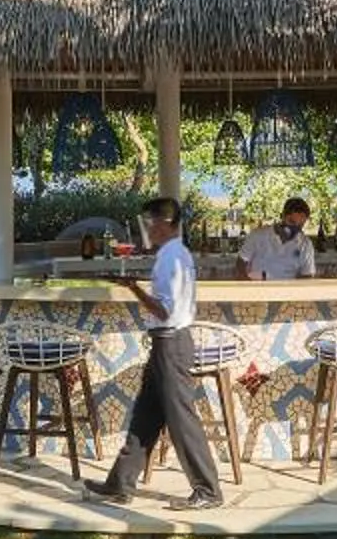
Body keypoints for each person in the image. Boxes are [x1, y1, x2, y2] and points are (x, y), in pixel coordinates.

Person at [85, 194, 223, 510]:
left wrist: (132, 288)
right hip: (169, 343)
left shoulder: (172, 258)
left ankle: (208, 490)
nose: (146, 229)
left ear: (162, 223)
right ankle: (119, 484)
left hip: (171, 343)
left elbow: (164, 310)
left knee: (181, 419)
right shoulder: (175, 254)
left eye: (148, 223)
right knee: (146, 417)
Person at [237, 197, 317, 280]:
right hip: (259, 287)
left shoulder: (305, 244)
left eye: (300, 225)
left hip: (288, 290)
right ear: (282, 216)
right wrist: (246, 281)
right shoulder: (258, 235)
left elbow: (308, 275)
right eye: (291, 222)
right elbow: (241, 262)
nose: (294, 228)